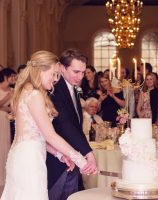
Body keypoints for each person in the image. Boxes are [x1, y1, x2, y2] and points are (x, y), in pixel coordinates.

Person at [0, 50, 94, 200]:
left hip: (24, 155)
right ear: (41, 71)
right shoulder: (34, 95)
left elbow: (36, 135)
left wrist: (59, 155)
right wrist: (81, 161)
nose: (56, 79)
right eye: (53, 74)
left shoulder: (27, 91)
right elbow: (50, 135)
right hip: (30, 159)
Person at [46, 49, 97, 200]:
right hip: (57, 159)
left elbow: (76, 125)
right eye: (76, 72)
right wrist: (88, 153)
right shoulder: (55, 89)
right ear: (62, 68)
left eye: (83, 72)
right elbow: (65, 124)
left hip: (72, 157)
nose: (80, 77)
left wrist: (83, 151)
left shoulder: (72, 89)